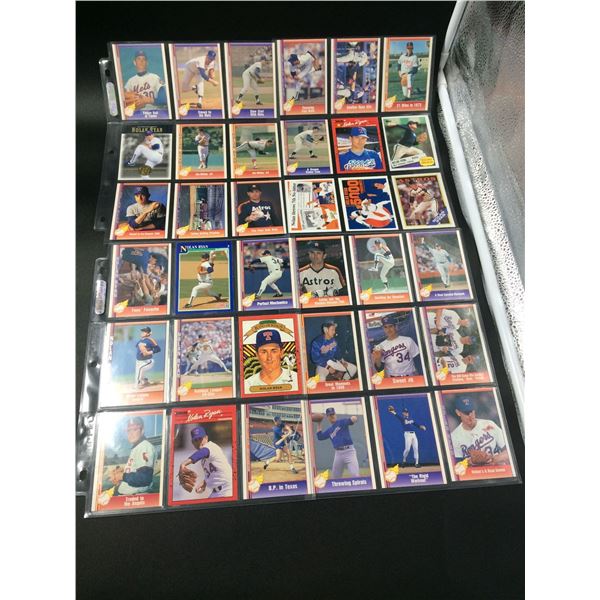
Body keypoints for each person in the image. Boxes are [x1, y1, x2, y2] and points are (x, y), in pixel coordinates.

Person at [450, 397, 510, 466]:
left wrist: (495, 459)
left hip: (496, 469)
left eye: (471, 411)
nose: (470, 415)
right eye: (466, 413)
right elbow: (457, 466)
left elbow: (509, 450)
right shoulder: (454, 437)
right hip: (475, 472)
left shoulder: (489, 424)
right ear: (458, 412)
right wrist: (471, 462)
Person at [178, 425, 233, 497]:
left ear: (206, 438)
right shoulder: (204, 459)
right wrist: (205, 483)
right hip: (216, 492)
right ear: (192, 443)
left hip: (227, 489)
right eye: (196, 440)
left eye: (200, 439)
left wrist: (184, 463)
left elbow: (203, 452)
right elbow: (214, 472)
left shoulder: (211, 447)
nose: (198, 442)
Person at [109, 417, 156, 495]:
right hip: (127, 495)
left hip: (135, 497)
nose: (131, 433)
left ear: (142, 430)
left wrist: (122, 476)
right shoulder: (138, 447)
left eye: (134, 429)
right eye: (128, 430)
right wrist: (122, 474)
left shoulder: (144, 446)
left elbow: (144, 478)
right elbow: (136, 472)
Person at [316, 407, 359, 478]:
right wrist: (319, 423)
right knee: (335, 477)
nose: (332, 416)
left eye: (333, 414)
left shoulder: (342, 422)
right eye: (330, 415)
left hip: (349, 452)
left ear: (335, 414)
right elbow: (320, 437)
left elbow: (351, 420)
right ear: (327, 417)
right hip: (338, 454)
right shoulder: (329, 430)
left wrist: (354, 418)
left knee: (355, 475)